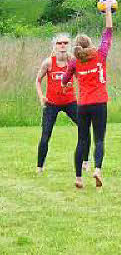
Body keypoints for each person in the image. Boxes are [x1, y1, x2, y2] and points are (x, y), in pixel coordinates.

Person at [62, 5, 113, 188]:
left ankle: (78, 178)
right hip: (99, 103)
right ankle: (97, 170)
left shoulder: (75, 62)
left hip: (82, 105)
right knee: (99, 139)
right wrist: (108, 12)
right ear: (90, 44)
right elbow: (108, 32)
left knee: (82, 140)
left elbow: (64, 79)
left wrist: (67, 82)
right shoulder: (100, 55)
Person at [34, 33, 88, 173]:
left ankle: (85, 162)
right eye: (59, 43)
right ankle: (39, 167)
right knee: (46, 134)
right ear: (55, 46)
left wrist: (84, 97)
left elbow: (81, 79)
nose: (62, 45)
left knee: (84, 128)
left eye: (65, 43)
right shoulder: (48, 62)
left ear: (69, 45)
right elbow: (38, 80)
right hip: (51, 103)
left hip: (70, 102)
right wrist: (41, 96)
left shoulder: (74, 61)